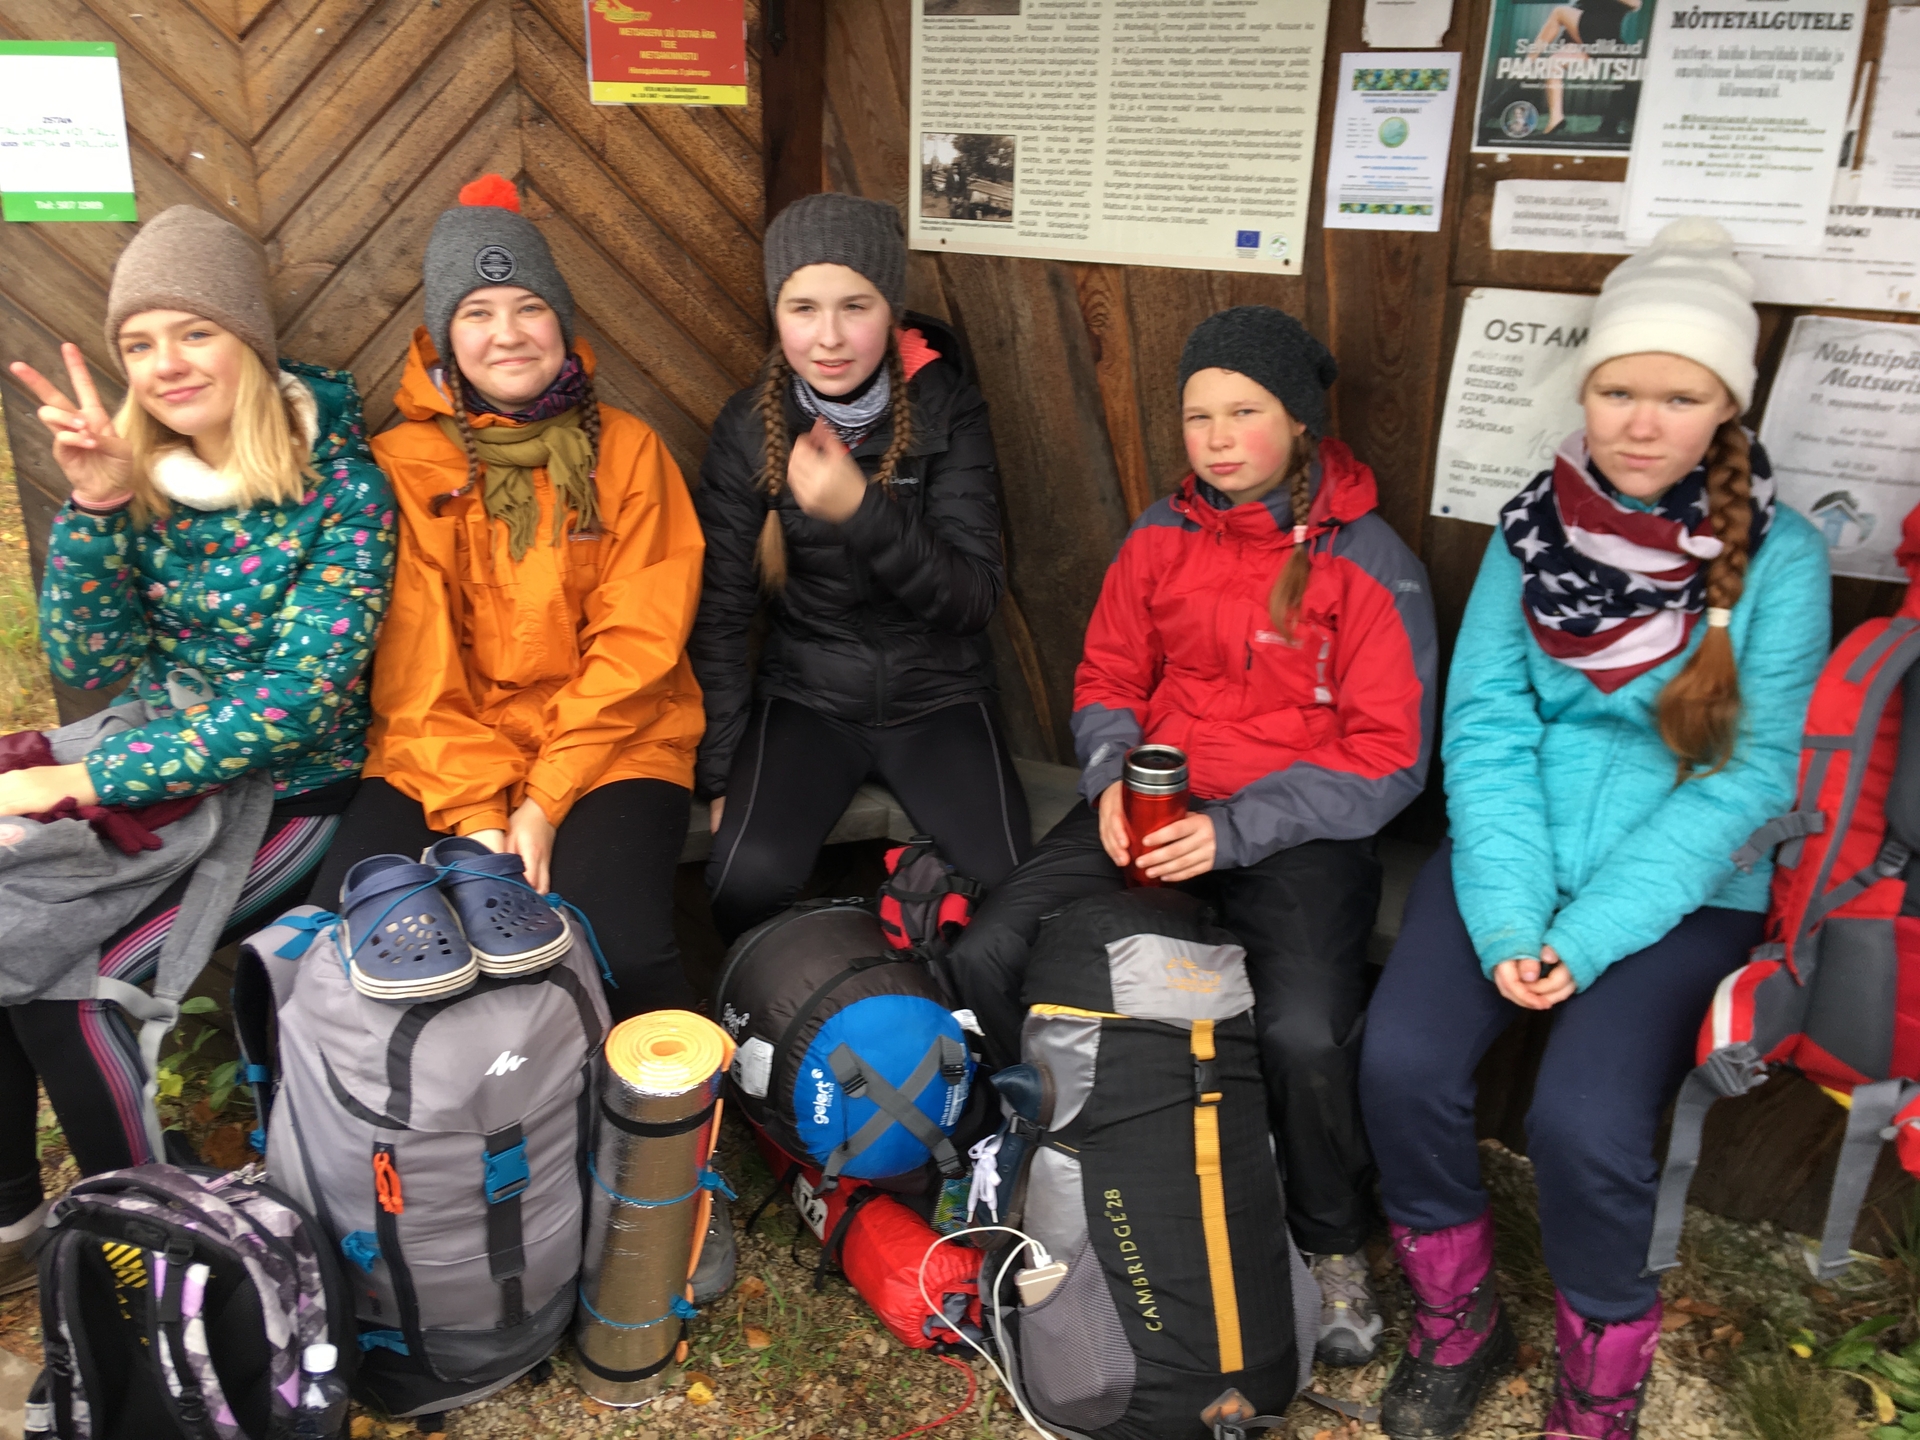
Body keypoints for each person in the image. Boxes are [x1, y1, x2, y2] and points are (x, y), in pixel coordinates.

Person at [1358, 218, 1830, 1440]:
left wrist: (1591, 934)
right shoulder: (1533, 529)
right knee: (1402, 1064)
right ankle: (1458, 1321)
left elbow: (1751, 776)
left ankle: (1600, 1386)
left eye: (1681, 396)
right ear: (1586, 390)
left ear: (1726, 407)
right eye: (1620, 390)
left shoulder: (1782, 558)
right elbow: (1486, 726)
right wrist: (1513, 915)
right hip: (1513, 856)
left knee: (1585, 1122)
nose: (1642, 422)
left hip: (1684, 887)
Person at [944, 305, 1438, 1366]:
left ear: (1298, 422)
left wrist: (1237, 833)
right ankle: (1044, 1160)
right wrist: (1107, 780)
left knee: (1305, 1031)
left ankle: (1330, 1240)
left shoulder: (1371, 560)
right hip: (1152, 803)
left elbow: (1389, 754)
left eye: (1244, 412)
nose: (1217, 438)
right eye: (1198, 415)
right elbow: (1109, 676)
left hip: (1297, 828)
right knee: (990, 948)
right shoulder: (1160, 534)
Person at [0, 205, 397, 1290]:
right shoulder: (147, 476)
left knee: (77, 991)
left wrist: (81, 779)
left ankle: (151, 1253)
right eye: (139, 343)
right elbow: (90, 654)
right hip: (154, 763)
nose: (166, 363)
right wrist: (95, 506)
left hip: (291, 795)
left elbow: (296, 704)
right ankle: (12, 1223)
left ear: (249, 344)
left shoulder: (341, 490)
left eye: (194, 332)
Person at [307, 176, 705, 1019]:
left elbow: (640, 642)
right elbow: (415, 668)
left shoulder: (628, 452)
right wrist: (481, 817)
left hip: (615, 743)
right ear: (443, 335)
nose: (508, 333)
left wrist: (546, 802)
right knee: (348, 931)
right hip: (442, 751)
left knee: (619, 942)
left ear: (561, 322)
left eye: (529, 307)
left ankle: (670, 1098)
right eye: (477, 312)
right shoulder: (401, 465)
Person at [691, 192, 1028, 941]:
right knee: (745, 877)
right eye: (803, 308)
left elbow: (972, 599)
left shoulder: (949, 409)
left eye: (856, 306)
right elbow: (720, 613)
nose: (830, 337)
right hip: (808, 697)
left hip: (939, 696)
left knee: (1007, 890)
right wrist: (722, 774)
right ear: (777, 314)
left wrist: (860, 509)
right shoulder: (749, 427)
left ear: (893, 311)